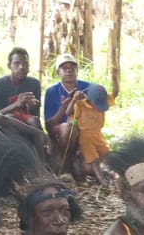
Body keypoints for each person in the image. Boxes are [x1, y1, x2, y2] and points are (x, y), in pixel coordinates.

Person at [43, 55, 113, 186]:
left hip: (87, 135)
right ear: (58, 72)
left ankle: (94, 168)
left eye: (72, 67)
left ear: (77, 70)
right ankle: (66, 167)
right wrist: (65, 106)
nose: (69, 71)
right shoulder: (52, 91)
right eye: (64, 68)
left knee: (87, 168)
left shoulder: (89, 88)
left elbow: (101, 107)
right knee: (68, 127)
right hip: (62, 136)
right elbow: (49, 125)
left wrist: (87, 100)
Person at [0, 47, 42, 127]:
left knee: (34, 121)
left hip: (27, 121)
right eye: (16, 63)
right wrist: (16, 104)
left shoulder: (34, 84)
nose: (21, 67)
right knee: (10, 117)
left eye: (25, 64)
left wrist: (32, 106)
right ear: (9, 65)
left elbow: (36, 115)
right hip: (4, 124)